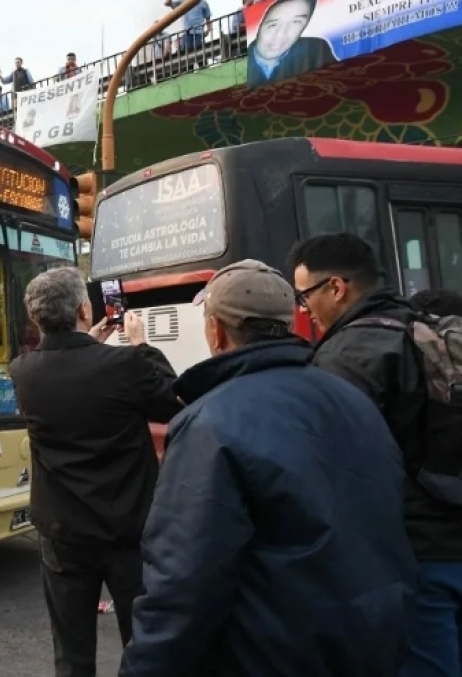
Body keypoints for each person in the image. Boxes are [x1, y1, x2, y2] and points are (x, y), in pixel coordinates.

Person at [121, 259, 416, 676]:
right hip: (375, 641)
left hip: (271, 655)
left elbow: (183, 581)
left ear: (217, 330)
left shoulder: (211, 422)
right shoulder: (352, 400)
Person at [290, 233, 462, 676]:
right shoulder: (424, 326)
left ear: (336, 287)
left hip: (413, 557)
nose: (303, 309)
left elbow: (334, 473)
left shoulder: (345, 355)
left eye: (305, 295)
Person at [8, 267, 181, 677]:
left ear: (36, 318)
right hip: (127, 531)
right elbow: (173, 402)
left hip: (62, 533)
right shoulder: (125, 363)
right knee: (142, 644)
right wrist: (141, 346)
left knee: (72, 653)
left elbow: (73, 372)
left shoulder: (23, 371)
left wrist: (91, 345)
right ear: (85, 308)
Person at [246, 0, 337, 87]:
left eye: (296, 22)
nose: (280, 34)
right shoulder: (245, 60)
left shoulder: (316, 47)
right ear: (259, 27)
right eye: (273, 25)